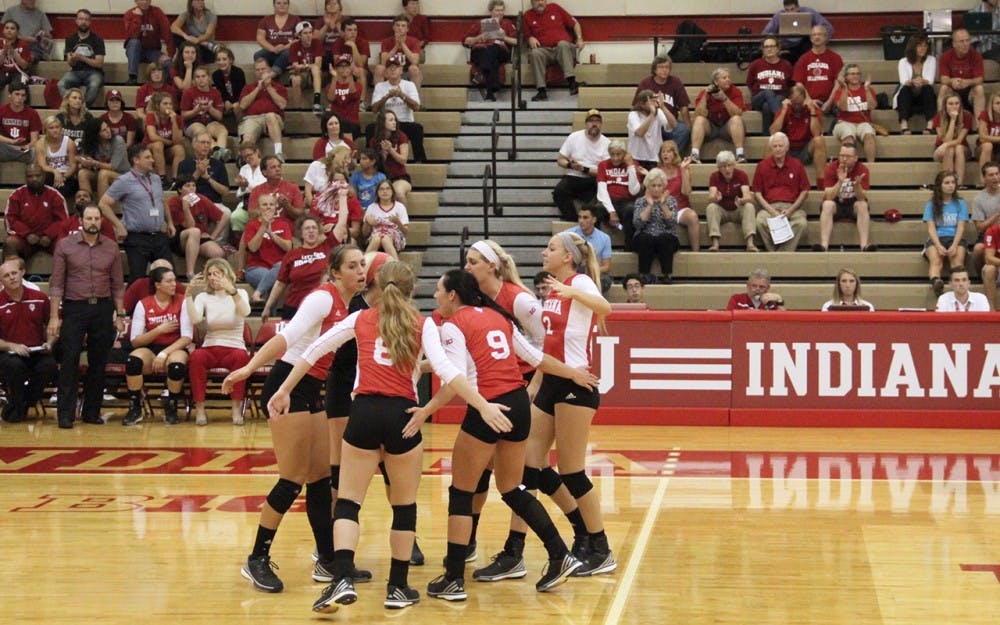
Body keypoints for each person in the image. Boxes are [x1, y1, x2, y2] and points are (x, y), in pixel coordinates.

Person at [269, 261, 509, 613]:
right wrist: (482, 405)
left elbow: (313, 351)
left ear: (376, 287)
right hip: (403, 418)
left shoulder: (361, 318)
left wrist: (285, 388)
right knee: (404, 506)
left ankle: (343, 578)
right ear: (413, 290)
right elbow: (448, 371)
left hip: (363, 413)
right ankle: (397, 586)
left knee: (349, 501)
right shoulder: (424, 324)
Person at [420, 270, 599, 601]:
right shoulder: (497, 317)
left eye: (438, 291)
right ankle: (560, 555)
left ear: (453, 296)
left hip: (489, 405)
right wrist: (572, 372)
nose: (434, 297)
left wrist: (425, 411)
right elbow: (535, 359)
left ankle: (454, 578)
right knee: (512, 489)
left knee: (462, 491)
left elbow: (455, 377)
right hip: (518, 404)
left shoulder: (453, 325)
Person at [223, 245, 371, 595]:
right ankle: (256, 558)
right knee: (292, 479)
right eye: (352, 266)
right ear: (335, 273)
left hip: (311, 388)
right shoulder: (322, 298)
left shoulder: (351, 306)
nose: (360, 271)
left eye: (362, 264)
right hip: (286, 386)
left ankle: (327, 557)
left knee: (320, 478)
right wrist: (247, 368)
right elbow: (286, 338)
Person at [523, 232, 615, 577]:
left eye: (551, 248)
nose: (544, 252)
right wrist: (535, 382)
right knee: (531, 462)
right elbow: (550, 343)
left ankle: (601, 547)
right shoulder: (553, 290)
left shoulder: (581, 283)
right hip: (551, 381)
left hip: (577, 384)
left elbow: (606, 308)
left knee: (572, 470)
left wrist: (573, 291)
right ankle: (580, 529)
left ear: (568, 257)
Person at [49, 205, 126, 429]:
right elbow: (56, 284)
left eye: (96, 218)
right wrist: (55, 316)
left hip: (102, 308)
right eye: (88, 218)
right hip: (75, 308)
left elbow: (118, 285)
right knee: (70, 359)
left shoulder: (111, 247)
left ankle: (92, 412)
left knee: (99, 361)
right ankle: (66, 414)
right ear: (80, 220)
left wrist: (120, 314)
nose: (93, 222)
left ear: (101, 221)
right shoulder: (65, 245)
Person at [122, 265, 193, 426]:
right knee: (133, 362)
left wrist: (164, 354)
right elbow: (135, 341)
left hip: (175, 347)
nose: (174, 284)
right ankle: (135, 407)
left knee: (176, 365)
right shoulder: (144, 304)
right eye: (169, 281)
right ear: (157, 285)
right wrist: (158, 330)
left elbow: (187, 337)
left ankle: (171, 405)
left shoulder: (182, 301)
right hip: (150, 348)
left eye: (175, 280)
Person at [186, 259, 250, 425]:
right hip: (210, 346)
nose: (213, 277)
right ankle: (200, 409)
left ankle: (236, 409)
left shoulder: (240, 293)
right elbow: (195, 319)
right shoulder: (203, 297)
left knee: (241, 357)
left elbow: (246, 312)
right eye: (209, 274)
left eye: (217, 273)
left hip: (234, 345)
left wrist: (233, 292)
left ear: (226, 274)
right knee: (196, 357)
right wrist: (187, 296)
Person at [99, 143, 176, 283]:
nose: (152, 160)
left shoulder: (156, 179)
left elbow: (162, 202)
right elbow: (103, 204)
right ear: (136, 160)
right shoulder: (124, 181)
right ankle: (131, 305)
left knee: (169, 274)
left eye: (152, 157)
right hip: (137, 238)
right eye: (148, 157)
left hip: (159, 236)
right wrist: (118, 225)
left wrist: (170, 222)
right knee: (138, 279)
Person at [0, 257, 56, 423]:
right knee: (14, 365)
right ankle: (19, 405)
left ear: (22, 273)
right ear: (1, 280)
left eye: (14, 273)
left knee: (50, 365)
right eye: (6, 275)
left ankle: (20, 404)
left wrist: (50, 342)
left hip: (36, 350)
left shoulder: (39, 297)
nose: (12, 277)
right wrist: (12, 346)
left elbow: (52, 325)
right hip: (8, 353)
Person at [262, 216, 334, 322]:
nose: (311, 231)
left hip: (320, 305)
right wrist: (267, 307)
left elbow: (341, 227)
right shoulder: (291, 255)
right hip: (294, 306)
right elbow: (280, 283)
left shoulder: (327, 248)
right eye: (307, 228)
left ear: (319, 232)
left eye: (314, 228)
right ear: (301, 233)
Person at [753, 132, 811, 251]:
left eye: (780, 146)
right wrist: (772, 211)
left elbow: (804, 191)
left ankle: (780, 254)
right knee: (760, 221)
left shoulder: (797, 165)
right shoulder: (762, 166)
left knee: (801, 224)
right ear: (771, 148)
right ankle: (776, 253)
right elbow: (757, 193)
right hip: (770, 207)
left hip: (792, 208)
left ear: (787, 147)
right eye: (775, 146)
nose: (778, 149)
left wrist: (791, 210)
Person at [167, 175, 227, 280]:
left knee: (218, 253)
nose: (192, 188)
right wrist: (186, 208)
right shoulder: (173, 203)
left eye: (194, 185)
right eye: (188, 186)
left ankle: (208, 273)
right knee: (194, 231)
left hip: (199, 238)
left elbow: (224, 217)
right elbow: (189, 226)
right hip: (179, 238)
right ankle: (190, 272)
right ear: (180, 189)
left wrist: (213, 236)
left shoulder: (201, 199)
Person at [553, 109, 609, 222]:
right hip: (573, 176)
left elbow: (605, 172)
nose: (594, 124)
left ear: (601, 124)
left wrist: (584, 169)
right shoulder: (574, 137)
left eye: (597, 121)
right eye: (591, 121)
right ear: (586, 124)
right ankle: (572, 221)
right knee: (559, 191)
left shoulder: (607, 143)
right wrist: (570, 165)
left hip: (593, 180)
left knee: (599, 202)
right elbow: (560, 159)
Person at [816, 142, 874, 252]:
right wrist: (840, 181)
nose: (844, 159)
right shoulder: (831, 168)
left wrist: (857, 186)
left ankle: (864, 246)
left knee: (862, 205)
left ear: (855, 158)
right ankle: (824, 246)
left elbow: (862, 198)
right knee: (827, 205)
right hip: (836, 204)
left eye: (848, 156)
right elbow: (828, 196)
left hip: (853, 205)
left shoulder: (863, 170)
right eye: (842, 155)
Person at [523, 0, 584, 101]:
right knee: (535, 53)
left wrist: (579, 38)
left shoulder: (555, 8)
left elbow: (575, 24)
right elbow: (526, 35)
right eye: (537, 1)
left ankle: (572, 82)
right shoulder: (527, 15)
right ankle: (541, 90)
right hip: (545, 50)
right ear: (532, 2)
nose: (540, 3)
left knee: (562, 44)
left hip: (563, 48)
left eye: (542, 0)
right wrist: (530, 38)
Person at [923, 170, 970, 296]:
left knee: (957, 261)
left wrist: (954, 245)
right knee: (936, 261)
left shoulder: (961, 203)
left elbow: (961, 227)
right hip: (937, 238)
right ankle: (936, 283)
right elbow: (931, 228)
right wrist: (938, 245)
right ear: (940, 186)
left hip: (955, 238)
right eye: (947, 183)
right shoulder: (931, 204)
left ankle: (958, 287)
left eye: (953, 182)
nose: (951, 185)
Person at [370, 59, 425, 164]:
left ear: (401, 70)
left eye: (395, 68)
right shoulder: (380, 86)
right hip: (385, 123)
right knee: (370, 129)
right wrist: (385, 98)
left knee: (417, 129)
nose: (392, 70)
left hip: (404, 122)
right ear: (385, 72)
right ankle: (371, 158)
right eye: (390, 68)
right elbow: (374, 110)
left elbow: (416, 107)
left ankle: (419, 160)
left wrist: (402, 96)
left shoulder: (409, 85)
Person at [3, 164, 63, 261]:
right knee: (10, 243)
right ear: (25, 178)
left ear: (43, 176)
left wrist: (49, 234)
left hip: (50, 240)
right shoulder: (17, 195)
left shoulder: (54, 195)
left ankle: (63, 276)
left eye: (37, 175)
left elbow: (63, 220)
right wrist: (27, 234)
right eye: (30, 176)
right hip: (25, 240)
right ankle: (11, 275)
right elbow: (11, 220)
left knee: (66, 244)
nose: (34, 179)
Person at [632, 55, 691, 153]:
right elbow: (637, 106)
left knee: (683, 130)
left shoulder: (676, 82)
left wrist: (688, 128)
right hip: (651, 122)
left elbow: (684, 107)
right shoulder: (645, 83)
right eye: (661, 67)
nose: (664, 70)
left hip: (669, 121)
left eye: (667, 67)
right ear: (654, 69)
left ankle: (673, 159)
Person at [771, 83, 827, 185]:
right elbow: (773, 132)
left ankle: (821, 183)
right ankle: (770, 181)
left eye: (799, 103)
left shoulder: (813, 109)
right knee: (770, 142)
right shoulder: (785, 109)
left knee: (819, 140)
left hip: (805, 149)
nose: (797, 107)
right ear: (789, 100)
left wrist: (812, 112)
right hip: (787, 150)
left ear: (805, 100)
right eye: (794, 103)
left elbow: (816, 133)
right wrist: (783, 111)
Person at [632, 168, 679, 285]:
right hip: (645, 236)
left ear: (664, 186)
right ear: (648, 186)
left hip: (666, 237)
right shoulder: (640, 201)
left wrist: (663, 205)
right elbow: (638, 224)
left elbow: (672, 223)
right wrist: (649, 206)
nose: (657, 188)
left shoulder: (671, 201)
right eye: (653, 185)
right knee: (645, 238)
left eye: (659, 185)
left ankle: (667, 275)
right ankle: (643, 275)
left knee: (665, 238)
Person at [690, 67, 746, 165]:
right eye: (724, 78)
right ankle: (694, 154)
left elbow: (737, 113)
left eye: (729, 77)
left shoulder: (735, 91)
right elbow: (699, 113)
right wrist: (705, 96)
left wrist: (724, 98)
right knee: (699, 120)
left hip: (728, 127)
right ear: (716, 81)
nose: (728, 80)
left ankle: (740, 155)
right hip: (711, 127)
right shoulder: (706, 92)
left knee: (736, 119)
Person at [244, 193, 293, 304]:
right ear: (258, 208)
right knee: (273, 281)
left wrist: (271, 234)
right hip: (255, 268)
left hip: (278, 267)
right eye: (264, 204)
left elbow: (288, 248)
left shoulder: (283, 224)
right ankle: (269, 317)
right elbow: (253, 248)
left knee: (281, 266)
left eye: (271, 204)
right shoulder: (251, 225)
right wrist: (263, 227)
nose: (268, 207)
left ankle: (257, 294)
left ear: (275, 207)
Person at [464, 0, 517, 101]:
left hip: (500, 51)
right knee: (491, 56)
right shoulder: (481, 23)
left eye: (502, 10)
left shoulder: (507, 23)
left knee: (493, 48)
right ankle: (491, 92)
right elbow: (466, 40)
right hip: (480, 51)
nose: (500, 13)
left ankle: (480, 72)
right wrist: (478, 38)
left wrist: (504, 37)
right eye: (497, 10)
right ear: (491, 11)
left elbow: (517, 41)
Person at [239, 57, 289, 163]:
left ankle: (278, 153)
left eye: (263, 69)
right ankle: (246, 160)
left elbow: (282, 105)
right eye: (258, 70)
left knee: (270, 116)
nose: (260, 72)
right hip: (252, 118)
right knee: (247, 136)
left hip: (273, 118)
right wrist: (258, 88)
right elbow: (243, 105)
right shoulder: (248, 87)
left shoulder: (279, 87)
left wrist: (269, 87)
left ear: (269, 70)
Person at [706, 150, 757, 252]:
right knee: (711, 207)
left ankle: (750, 243)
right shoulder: (714, 176)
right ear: (719, 168)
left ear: (734, 165)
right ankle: (715, 243)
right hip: (722, 210)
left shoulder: (741, 175)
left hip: (737, 209)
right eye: (723, 166)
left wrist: (742, 200)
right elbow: (711, 197)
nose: (727, 169)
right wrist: (716, 198)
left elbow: (748, 196)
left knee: (749, 206)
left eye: (729, 165)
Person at [305, 157, 362, 245]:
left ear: (347, 183)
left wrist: (335, 228)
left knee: (350, 242)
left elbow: (356, 231)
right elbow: (313, 224)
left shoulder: (352, 201)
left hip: (345, 235)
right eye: (335, 181)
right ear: (329, 183)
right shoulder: (319, 199)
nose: (338, 184)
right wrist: (321, 228)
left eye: (341, 181)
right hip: (323, 236)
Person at [655, 140, 699, 252]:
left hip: (681, 208)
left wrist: (684, 171)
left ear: (674, 154)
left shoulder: (683, 169)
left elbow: (686, 192)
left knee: (692, 216)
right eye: (663, 152)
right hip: (662, 208)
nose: (665, 154)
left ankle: (696, 252)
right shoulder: (656, 171)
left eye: (668, 151)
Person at [830, 64, 877, 164]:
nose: (855, 76)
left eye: (857, 74)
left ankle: (872, 166)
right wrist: (844, 89)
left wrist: (867, 89)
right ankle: (846, 165)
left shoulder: (868, 89)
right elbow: (843, 107)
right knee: (848, 136)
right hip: (845, 122)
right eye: (852, 74)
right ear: (846, 76)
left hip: (863, 122)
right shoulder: (839, 91)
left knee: (869, 135)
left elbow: (872, 106)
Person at [176, 131, 231, 217]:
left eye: (208, 143)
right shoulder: (184, 164)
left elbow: (225, 192)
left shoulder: (218, 164)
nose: (206, 145)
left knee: (226, 213)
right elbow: (180, 189)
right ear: (194, 145)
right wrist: (197, 173)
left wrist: (208, 178)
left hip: (214, 202)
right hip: (192, 200)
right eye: (202, 142)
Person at [761, 0, 833, 65]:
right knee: (783, 60)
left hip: (805, 44)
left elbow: (828, 27)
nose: (790, 12)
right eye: (787, 10)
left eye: (792, 9)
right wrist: (776, 47)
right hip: (786, 46)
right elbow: (766, 33)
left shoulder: (808, 12)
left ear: (798, 7)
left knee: (810, 56)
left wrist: (819, 42)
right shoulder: (779, 15)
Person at [595, 139, 640, 242]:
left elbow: (634, 191)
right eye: (612, 154)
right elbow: (602, 192)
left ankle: (630, 247)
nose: (615, 158)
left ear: (624, 153)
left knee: (631, 209)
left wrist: (631, 167)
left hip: (626, 202)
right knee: (596, 209)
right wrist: (612, 212)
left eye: (618, 154)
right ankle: (596, 244)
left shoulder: (633, 164)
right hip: (609, 202)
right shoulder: (603, 165)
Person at [57, 10, 104, 107]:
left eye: (86, 19)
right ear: (76, 21)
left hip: (94, 72)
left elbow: (99, 63)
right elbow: (70, 63)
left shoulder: (97, 39)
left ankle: (82, 108)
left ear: (90, 22)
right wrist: (73, 59)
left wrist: (82, 58)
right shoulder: (70, 39)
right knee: (60, 84)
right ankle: (71, 105)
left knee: (94, 84)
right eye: (81, 19)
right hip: (75, 71)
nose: (83, 22)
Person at [746, 37, 793, 135]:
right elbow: (749, 83)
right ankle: (781, 119)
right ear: (762, 49)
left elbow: (790, 84)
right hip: (759, 98)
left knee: (767, 107)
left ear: (778, 48)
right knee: (768, 92)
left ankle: (767, 137)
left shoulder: (786, 65)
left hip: (780, 98)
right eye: (766, 47)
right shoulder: (756, 64)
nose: (769, 49)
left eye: (772, 46)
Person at [792, 25, 843, 113]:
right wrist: (809, 100)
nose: (817, 37)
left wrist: (829, 102)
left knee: (842, 112)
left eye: (819, 34)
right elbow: (799, 84)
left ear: (825, 37)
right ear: (810, 38)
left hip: (831, 101)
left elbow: (838, 83)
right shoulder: (803, 59)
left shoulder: (835, 58)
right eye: (814, 35)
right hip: (808, 100)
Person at [180, 68, 228, 160]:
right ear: (194, 80)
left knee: (223, 131)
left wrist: (210, 108)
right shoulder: (188, 92)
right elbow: (183, 115)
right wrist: (195, 111)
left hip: (210, 122)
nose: (201, 79)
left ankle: (219, 155)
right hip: (192, 123)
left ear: (208, 78)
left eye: (203, 76)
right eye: (197, 77)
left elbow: (219, 116)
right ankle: (217, 151)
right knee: (202, 131)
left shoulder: (215, 92)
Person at [939, 28, 986, 121]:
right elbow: (943, 79)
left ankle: (979, 125)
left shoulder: (976, 56)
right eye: (961, 41)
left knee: (979, 89)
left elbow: (980, 79)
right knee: (943, 88)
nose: (965, 44)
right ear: (954, 44)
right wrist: (952, 81)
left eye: (967, 40)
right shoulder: (945, 56)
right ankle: (942, 123)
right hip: (953, 91)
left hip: (969, 92)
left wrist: (968, 82)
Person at [562, 204, 611, 293]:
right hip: (573, 272)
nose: (581, 221)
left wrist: (591, 271)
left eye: (585, 218)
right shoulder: (568, 235)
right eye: (580, 217)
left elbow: (606, 266)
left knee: (605, 280)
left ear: (594, 220)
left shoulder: (605, 238)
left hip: (593, 272)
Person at [895, 32, 936, 135]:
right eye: (919, 46)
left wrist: (920, 81)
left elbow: (930, 80)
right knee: (905, 90)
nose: (923, 48)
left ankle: (930, 125)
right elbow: (903, 81)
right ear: (913, 47)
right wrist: (913, 81)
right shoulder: (903, 62)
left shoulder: (931, 60)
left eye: (925, 46)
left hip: (923, 95)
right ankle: (904, 126)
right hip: (909, 95)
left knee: (928, 89)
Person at [77, 117, 129, 198]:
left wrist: (94, 163)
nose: (108, 131)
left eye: (107, 127)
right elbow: (84, 159)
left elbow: (112, 167)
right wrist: (84, 163)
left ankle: (102, 207)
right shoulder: (92, 143)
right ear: (95, 134)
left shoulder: (118, 141)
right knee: (82, 173)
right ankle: (88, 206)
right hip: (101, 174)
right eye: (103, 130)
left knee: (103, 173)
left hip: (122, 175)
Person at [124, 0, 173, 86]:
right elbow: (133, 35)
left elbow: (167, 34)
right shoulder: (129, 14)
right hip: (135, 52)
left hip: (153, 51)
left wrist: (170, 55)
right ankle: (132, 77)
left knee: (168, 63)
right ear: (136, 1)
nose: (145, 2)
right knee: (134, 42)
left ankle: (166, 86)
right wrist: (137, 17)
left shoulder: (157, 12)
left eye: (147, 0)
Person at [368, 110, 412, 205]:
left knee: (398, 193)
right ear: (383, 123)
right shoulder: (374, 141)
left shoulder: (401, 136)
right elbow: (375, 165)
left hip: (399, 177)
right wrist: (383, 154)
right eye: (391, 120)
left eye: (395, 120)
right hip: (381, 177)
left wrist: (391, 150)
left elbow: (403, 160)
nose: (394, 122)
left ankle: (403, 219)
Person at [931, 94, 974, 188]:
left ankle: (958, 184)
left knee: (957, 148)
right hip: (941, 150)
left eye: (956, 103)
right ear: (945, 105)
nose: (954, 106)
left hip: (962, 149)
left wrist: (946, 145)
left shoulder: (967, 115)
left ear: (960, 104)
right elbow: (946, 140)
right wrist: (953, 120)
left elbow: (959, 140)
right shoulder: (939, 116)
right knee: (949, 149)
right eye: (950, 104)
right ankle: (948, 183)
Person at [143, 92, 185, 186]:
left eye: (170, 104)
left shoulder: (177, 118)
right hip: (150, 149)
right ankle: (162, 178)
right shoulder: (151, 116)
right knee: (158, 144)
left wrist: (174, 122)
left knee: (179, 148)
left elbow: (177, 141)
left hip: (167, 150)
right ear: (158, 106)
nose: (168, 106)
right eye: (165, 104)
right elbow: (152, 136)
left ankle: (176, 180)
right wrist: (169, 142)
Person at [326, 18, 370, 106]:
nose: (353, 32)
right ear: (343, 32)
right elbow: (337, 62)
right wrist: (350, 68)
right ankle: (334, 102)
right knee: (336, 72)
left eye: (355, 30)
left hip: (361, 71)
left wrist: (353, 46)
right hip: (345, 70)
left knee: (360, 71)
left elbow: (361, 63)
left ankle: (361, 103)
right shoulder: (337, 43)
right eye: (349, 30)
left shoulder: (363, 43)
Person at [248, 155, 305, 221]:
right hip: (264, 228)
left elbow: (301, 215)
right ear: (264, 172)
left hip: (287, 229)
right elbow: (251, 215)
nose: (277, 169)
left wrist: (287, 206)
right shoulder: (256, 190)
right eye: (273, 167)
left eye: (279, 166)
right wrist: (268, 206)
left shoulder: (292, 188)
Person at [34, 115, 78, 200]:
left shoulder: (69, 143)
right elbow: (42, 165)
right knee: (46, 178)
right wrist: (55, 171)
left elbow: (73, 166)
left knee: (66, 187)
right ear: (45, 130)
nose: (55, 130)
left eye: (57, 127)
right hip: (49, 174)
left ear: (61, 129)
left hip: (66, 176)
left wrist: (63, 177)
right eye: (51, 128)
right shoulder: (40, 144)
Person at [255, 0, 300, 81]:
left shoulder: (295, 19)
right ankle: (267, 72)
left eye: (285, 3)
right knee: (257, 55)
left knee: (287, 54)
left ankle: (272, 74)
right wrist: (273, 49)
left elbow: (299, 39)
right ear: (274, 5)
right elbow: (260, 38)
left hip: (288, 50)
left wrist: (285, 47)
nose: (282, 5)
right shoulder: (266, 20)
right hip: (271, 50)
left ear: (288, 5)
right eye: (278, 3)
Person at [375, 14, 423, 89]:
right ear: (393, 27)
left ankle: (415, 99)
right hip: (390, 71)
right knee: (379, 68)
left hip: (406, 72)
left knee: (414, 69)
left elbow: (415, 61)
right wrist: (396, 46)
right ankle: (380, 97)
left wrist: (402, 44)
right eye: (397, 25)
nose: (400, 28)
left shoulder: (414, 41)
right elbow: (383, 62)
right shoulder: (386, 41)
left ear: (407, 29)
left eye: (403, 26)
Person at [364, 179, 409, 259]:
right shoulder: (372, 207)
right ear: (377, 192)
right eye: (381, 189)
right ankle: (364, 265)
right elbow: (365, 234)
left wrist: (398, 222)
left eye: (388, 189)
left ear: (392, 192)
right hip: (375, 236)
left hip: (395, 237)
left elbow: (405, 231)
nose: (385, 191)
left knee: (385, 239)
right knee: (377, 238)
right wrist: (367, 222)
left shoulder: (400, 207)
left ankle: (396, 267)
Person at [628, 90, 671, 169]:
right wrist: (652, 114)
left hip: (655, 157)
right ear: (642, 104)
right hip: (636, 157)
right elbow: (640, 133)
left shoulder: (659, 112)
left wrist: (663, 107)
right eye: (651, 101)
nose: (654, 103)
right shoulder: (633, 115)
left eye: (655, 100)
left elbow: (670, 127)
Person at [0, 80, 39, 164]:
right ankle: (16, 154)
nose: (20, 98)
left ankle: (17, 154)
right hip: (6, 147)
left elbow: (34, 140)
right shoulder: (1, 111)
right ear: (10, 95)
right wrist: (11, 141)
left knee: (35, 150)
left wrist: (28, 146)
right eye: (17, 94)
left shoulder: (32, 113)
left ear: (25, 98)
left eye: (23, 95)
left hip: (23, 149)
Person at [288, 21, 323, 113]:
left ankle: (317, 102)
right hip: (302, 74)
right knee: (295, 80)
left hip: (315, 75)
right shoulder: (294, 46)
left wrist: (304, 66)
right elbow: (295, 66)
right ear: (299, 35)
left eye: (310, 32)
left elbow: (318, 64)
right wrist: (303, 67)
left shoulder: (317, 43)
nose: (309, 36)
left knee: (315, 69)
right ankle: (297, 110)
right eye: (305, 33)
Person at [232, 142, 266, 236]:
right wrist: (243, 187)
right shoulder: (244, 169)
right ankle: (241, 245)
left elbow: (265, 187)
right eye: (244, 157)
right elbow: (239, 193)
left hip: (263, 204)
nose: (247, 159)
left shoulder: (266, 166)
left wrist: (247, 186)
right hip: (247, 202)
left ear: (257, 152)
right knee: (235, 216)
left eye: (249, 155)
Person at [972, 161, 1000, 273]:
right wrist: (997, 215)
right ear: (984, 178)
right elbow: (979, 228)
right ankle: (983, 275)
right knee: (978, 249)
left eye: (997, 174)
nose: (995, 178)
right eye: (991, 175)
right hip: (988, 232)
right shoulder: (979, 199)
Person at [326, 55, 362, 140]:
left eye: (346, 66)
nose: (344, 68)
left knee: (345, 125)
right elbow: (331, 99)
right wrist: (335, 78)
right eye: (341, 66)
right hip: (336, 123)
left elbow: (353, 94)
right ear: (336, 69)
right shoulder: (330, 86)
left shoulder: (358, 85)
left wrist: (349, 76)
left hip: (352, 123)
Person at [212, 47, 245, 130]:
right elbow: (221, 92)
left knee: (237, 107)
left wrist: (233, 103)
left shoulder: (238, 72)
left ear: (230, 60)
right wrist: (226, 101)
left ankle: (242, 130)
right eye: (218, 60)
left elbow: (241, 91)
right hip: (224, 101)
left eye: (224, 59)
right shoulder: (216, 75)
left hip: (238, 100)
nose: (221, 62)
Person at [0, 20, 30, 91]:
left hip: (18, 73)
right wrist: (4, 51)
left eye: (12, 28)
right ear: (3, 31)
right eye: (7, 28)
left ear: (17, 32)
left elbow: (24, 66)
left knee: (19, 87)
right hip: (2, 72)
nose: (9, 30)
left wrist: (13, 52)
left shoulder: (23, 44)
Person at [977, 93, 1000, 182]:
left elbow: (986, 136)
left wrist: (989, 137)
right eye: (997, 103)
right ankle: (984, 181)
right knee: (987, 145)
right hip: (982, 148)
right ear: (992, 105)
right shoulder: (985, 114)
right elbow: (982, 138)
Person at [980, 216, 1000, 309]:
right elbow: (989, 258)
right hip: (997, 266)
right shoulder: (992, 231)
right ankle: (991, 310)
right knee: (989, 269)